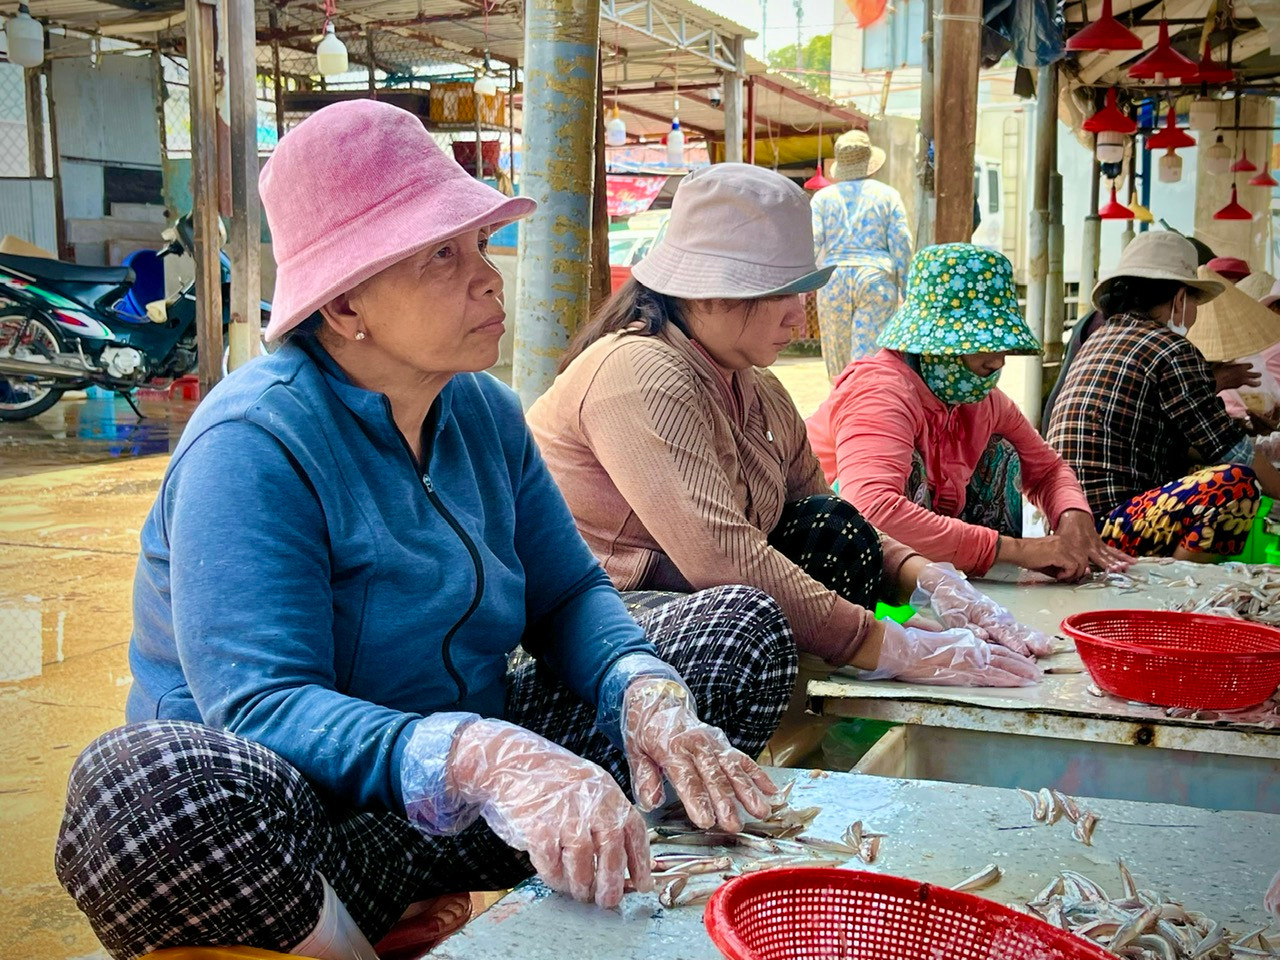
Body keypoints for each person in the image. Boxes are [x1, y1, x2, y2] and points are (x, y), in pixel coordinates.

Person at [53, 102, 797, 960]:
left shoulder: (483, 412)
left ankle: (592, 864)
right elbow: (263, 704)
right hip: (309, 836)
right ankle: (337, 939)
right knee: (138, 792)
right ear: (345, 304)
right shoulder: (253, 443)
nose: (488, 278)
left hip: (458, 809)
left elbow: (566, 594)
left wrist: (640, 691)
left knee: (737, 634)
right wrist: (478, 756)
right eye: (443, 255)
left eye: (479, 244)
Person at [526, 164, 1046, 765]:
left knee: (834, 531)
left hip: (686, 603)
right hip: (590, 629)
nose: (799, 317)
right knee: (745, 628)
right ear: (709, 291)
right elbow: (721, 557)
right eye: (783, 293)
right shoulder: (638, 371)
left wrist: (932, 580)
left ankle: (799, 719)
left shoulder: (758, 387)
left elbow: (832, 511)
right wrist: (885, 644)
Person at [807, 243, 1130, 581]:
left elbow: (1047, 469)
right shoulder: (880, 392)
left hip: (922, 561)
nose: (998, 361)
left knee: (1002, 451)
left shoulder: (981, 400)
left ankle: (975, 588)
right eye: (981, 345)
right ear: (933, 344)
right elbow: (871, 509)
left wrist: (1073, 516)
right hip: (840, 563)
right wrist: (1017, 550)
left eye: (1001, 346)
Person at [1047, 231, 1280, 560]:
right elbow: (1234, 451)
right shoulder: (1171, 349)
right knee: (1235, 485)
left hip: (1068, 523)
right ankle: (1171, 581)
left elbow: (1174, 438)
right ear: (1180, 298)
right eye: (1194, 302)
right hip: (1108, 524)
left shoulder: (1100, 339)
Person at [811, 129, 913, 381]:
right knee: (869, 361)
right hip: (875, 279)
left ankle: (841, 398)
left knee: (837, 360)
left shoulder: (823, 199)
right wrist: (907, 290)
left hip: (833, 279)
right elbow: (901, 243)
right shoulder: (887, 195)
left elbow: (811, 242)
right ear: (870, 163)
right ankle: (868, 400)